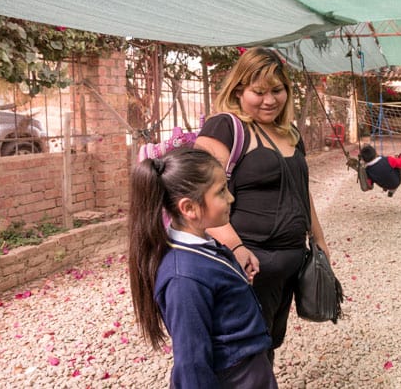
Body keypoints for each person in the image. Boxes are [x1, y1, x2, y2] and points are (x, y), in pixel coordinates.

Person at [194, 47, 331, 366]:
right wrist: (237, 248)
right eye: (259, 92)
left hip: (288, 266)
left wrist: (319, 241)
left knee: (266, 343)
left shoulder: (291, 134)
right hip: (246, 266)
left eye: (277, 90)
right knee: (243, 352)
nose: (269, 100)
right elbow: (198, 199)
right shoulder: (225, 129)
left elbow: (301, 191)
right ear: (239, 89)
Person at [127, 147, 277, 388]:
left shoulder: (202, 246)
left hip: (249, 370)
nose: (231, 198)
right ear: (189, 208)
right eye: (221, 192)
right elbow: (191, 364)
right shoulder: (184, 278)